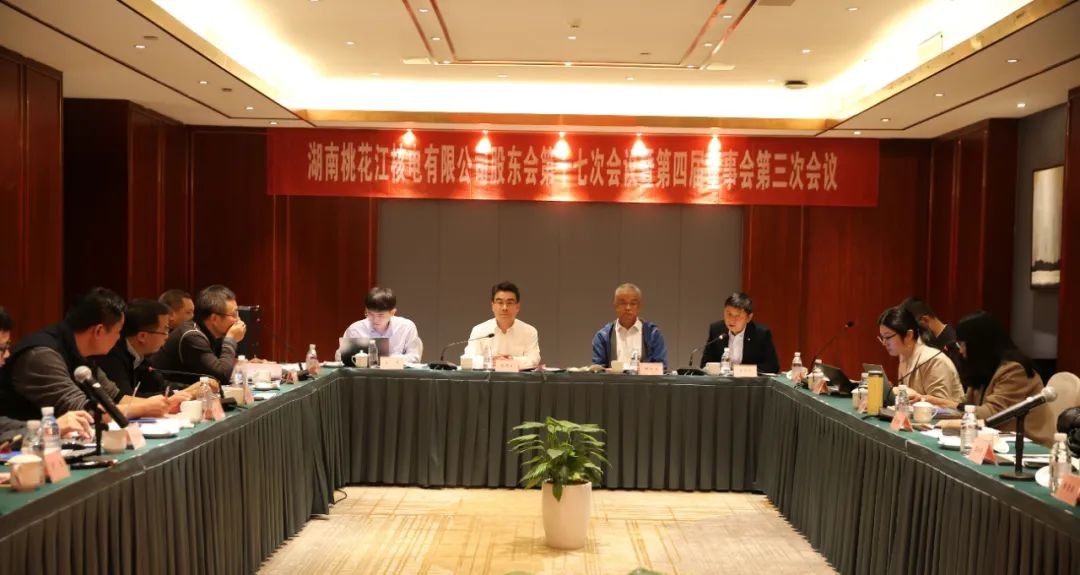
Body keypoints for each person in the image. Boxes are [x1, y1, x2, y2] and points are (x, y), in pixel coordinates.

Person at [0, 288, 175, 421]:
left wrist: (163, 402)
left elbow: (114, 397)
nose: (119, 338)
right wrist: (144, 408)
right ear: (99, 331)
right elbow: (85, 411)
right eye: (118, 332)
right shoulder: (41, 356)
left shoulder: (83, 352)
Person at [940, 311, 1054, 446]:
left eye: (963, 344)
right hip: (994, 439)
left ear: (979, 344)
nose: (961, 351)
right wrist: (937, 407)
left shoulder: (1014, 370)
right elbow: (967, 404)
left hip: (1028, 445)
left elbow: (993, 414)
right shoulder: (984, 367)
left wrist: (949, 414)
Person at [95, 299, 198, 400]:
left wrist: (192, 388)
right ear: (142, 336)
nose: (167, 336)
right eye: (165, 330)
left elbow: (158, 385)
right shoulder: (111, 355)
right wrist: (185, 393)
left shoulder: (141, 355)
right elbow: (126, 399)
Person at [152, 284, 246, 385]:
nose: (238, 320)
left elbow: (224, 367)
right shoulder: (192, 336)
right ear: (214, 318)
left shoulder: (212, 334)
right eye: (234, 314)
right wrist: (231, 339)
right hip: (164, 392)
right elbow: (221, 376)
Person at [876, 305, 964, 406]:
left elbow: (944, 408)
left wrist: (917, 397)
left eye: (888, 337)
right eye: (882, 337)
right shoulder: (903, 355)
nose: (884, 343)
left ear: (909, 335)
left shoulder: (934, 361)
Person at [463, 281, 541, 369]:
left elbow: (534, 359)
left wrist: (511, 360)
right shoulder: (479, 330)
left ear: (517, 307)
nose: (504, 308)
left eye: (509, 303)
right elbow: (467, 359)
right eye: (500, 302)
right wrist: (490, 361)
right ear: (492, 306)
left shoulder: (529, 331)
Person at [591, 283, 667, 369]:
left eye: (633, 303)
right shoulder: (603, 336)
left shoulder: (653, 334)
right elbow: (598, 370)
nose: (628, 308)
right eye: (623, 303)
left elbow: (661, 368)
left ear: (639, 306)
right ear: (615, 305)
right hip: (613, 378)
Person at [337, 287, 423, 363]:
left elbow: (414, 357)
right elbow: (341, 357)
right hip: (364, 375)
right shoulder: (355, 329)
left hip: (397, 374)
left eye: (380, 315)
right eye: (370, 314)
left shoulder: (406, 327)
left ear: (392, 312)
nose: (375, 320)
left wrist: (386, 360)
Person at [700, 292, 779, 374]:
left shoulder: (761, 334)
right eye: (729, 314)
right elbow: (704, 364)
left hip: (749, 381)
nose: (732, 320)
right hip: (721, 380)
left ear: (749, 318)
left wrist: (738, 370)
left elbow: (772, 366)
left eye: (737, 316)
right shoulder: (716, 329)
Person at [901, 296, 960, 366]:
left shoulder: (954, 345)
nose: (911, 335)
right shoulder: (925, 343)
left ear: (925, 320)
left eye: (912, 328)